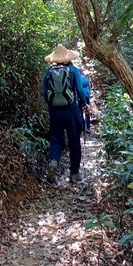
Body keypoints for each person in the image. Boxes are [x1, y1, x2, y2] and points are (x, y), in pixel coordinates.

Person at [42, 44, 89, 184]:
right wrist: (85, 104)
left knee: (56, 139)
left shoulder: (48, 71)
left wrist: (52, 105)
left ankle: (53, 162)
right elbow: (80, 90)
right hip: (71, 109)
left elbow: (45, 93)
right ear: (68, 58)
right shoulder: (73, 70)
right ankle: (74, 173)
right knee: (74, 140)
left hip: (54, 110)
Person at [79, 68, 92, 134]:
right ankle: (88, 127)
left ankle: (82, 126)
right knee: (87, 111)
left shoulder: (78, 79)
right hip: (86, 96)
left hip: (80, 97)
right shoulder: (86, 79)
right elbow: (90, 87)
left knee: (80, 112)